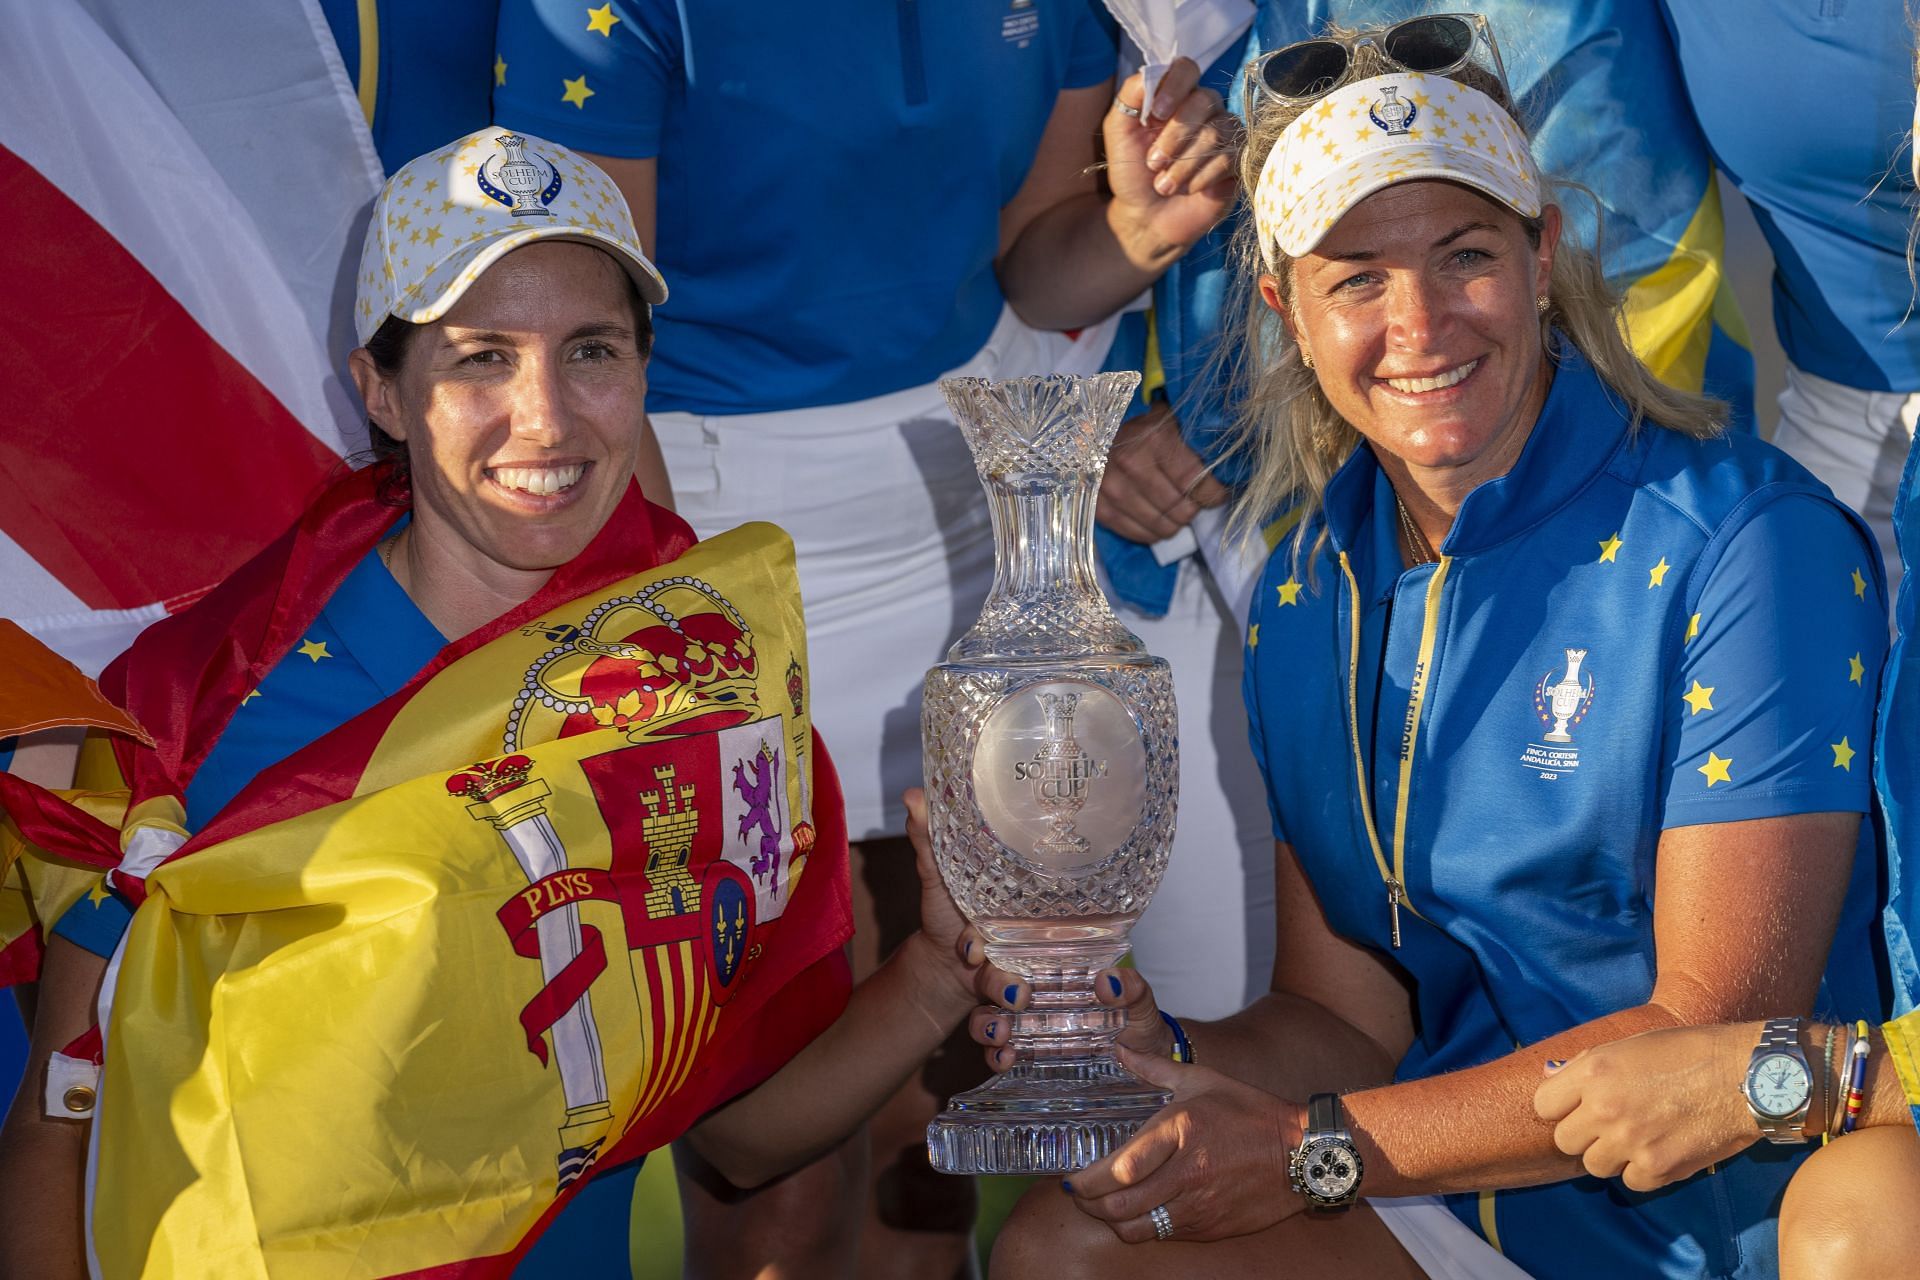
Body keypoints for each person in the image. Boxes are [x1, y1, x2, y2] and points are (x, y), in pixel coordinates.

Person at [967, 15, 1890, 1279]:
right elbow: (1343, 1018)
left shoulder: (1749, 539)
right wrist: (1158, 1048)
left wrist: (1309, 1149)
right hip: (1464, 1211)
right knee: (1066, 1244)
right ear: (1286, 305)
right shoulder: (1308, 587)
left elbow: (1706, 1035)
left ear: (1543, 253)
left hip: (1737, 1229)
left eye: (1465, 255)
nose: (1421, 322)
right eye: (1356, 277)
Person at [0, 129, 1000, 1277]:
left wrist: (933, 970)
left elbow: (741, 1134)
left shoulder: (711, 692)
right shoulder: (188, 703)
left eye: (591, 351)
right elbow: (58, 1126)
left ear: (642, 370)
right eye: (480, 357)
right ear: (381, 389)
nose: (548, 418)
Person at [491, 3, 1249, 1271]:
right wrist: (682, 615)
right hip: (706, 513)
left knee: (931, 1118)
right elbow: (583, 329)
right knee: (775, 1147)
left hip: (958, 507)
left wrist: (1136, 231)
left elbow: (1026, 266)